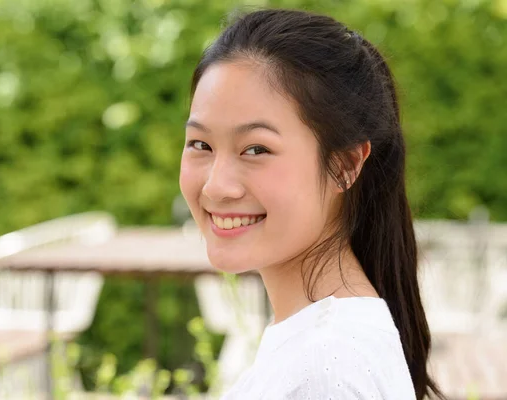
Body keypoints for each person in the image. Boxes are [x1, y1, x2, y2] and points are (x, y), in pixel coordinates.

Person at [179, 8, 446, 400]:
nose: (216, 186)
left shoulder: (324, 367)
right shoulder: (319, 342)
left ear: (345, 165)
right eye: (201, 144)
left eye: (256, 149)